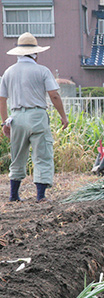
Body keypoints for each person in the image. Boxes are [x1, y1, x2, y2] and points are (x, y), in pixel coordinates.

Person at [0, 32, 69, 203]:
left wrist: (4, 121)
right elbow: (54, 95)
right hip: (37, 115)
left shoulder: (8, 72)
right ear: (35, 53)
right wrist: (63, 117)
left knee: (17, 155)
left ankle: (14, 195)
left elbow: (2, 100)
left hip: (16, 117)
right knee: (42, 154)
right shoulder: (42, 70)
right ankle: (40, 196)